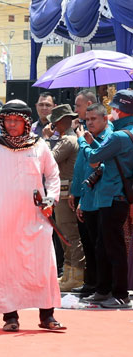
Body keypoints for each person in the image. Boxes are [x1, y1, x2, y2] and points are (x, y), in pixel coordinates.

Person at [0, 100, 65, 332]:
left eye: (16, 120)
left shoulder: (40, 146)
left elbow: (53, 176)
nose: (12, 124)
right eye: (8, 120)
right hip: (4, 220)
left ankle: (47, 316)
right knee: (6, 267)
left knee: (43, 265)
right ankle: (10, 317)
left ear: (26, 122)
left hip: (36, 218)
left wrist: (51, 199)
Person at [78, 90, 133, 308]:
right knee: (103, 246)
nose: (111, 113)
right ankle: (103, 290)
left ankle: (119, 294)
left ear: (120, 110)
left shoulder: (120, 136)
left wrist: (84, 141)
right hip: (113, 198)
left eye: (113, 109)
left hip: (113, 198)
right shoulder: (126, 133)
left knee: (113, 247)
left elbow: (93, 158)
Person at [72, 103, 111, 297]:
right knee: (88, 243)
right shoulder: (87, 137)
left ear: (105, 119)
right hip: (87, 197)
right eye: (87, 120)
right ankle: (91, 283)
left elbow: (97, 163)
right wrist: (78, 196)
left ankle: (102, 286)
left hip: (101, 199)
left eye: (93, 119)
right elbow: (81, 170)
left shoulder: (109, 138)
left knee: (100, 245)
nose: (89, 123)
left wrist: (84, 142)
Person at [47, 104, 84, 291]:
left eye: (54, 123)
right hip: (63, 191)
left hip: (65, 192)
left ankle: (76, 274)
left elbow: (48, 159)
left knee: (69, 234)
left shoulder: (68, 141)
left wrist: (46, 139)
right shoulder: (69, 139)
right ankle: (70, 273)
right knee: (65, 234)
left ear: (60, 122)